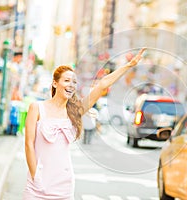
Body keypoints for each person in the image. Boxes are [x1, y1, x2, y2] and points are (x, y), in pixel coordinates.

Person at [23, 48, 146, 199]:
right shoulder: (36, 108)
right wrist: (36, 177)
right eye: (66, 80)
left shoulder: (75, 111)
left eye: (74, 82)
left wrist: (128, 65)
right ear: (55, 83)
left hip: (63, 184)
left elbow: (102, 85)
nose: (71, 85)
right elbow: (29, 144)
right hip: (37, 183)